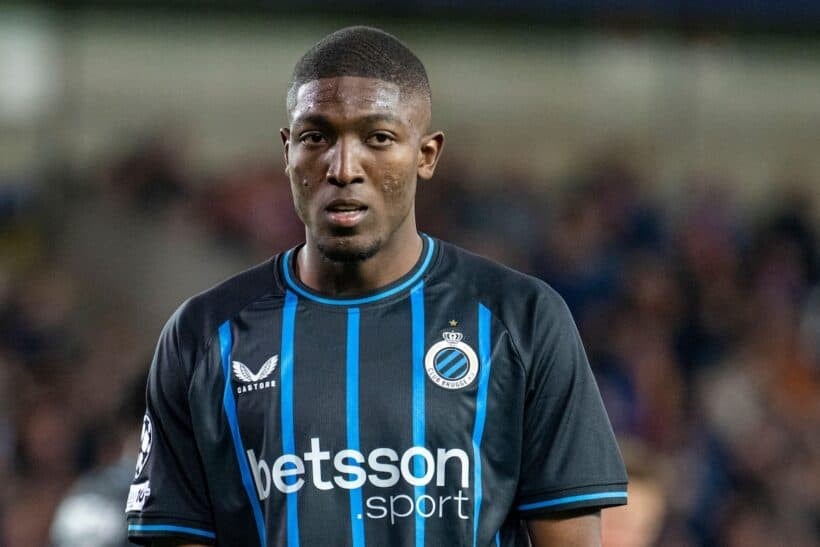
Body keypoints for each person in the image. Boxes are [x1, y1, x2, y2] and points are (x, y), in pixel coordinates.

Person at [125, 26, 627, 546]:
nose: (343, 168)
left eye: (378, 138)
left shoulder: (522, 320)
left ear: (426, 155)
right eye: (316, 137)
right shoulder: (204, 335)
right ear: (287, 150)